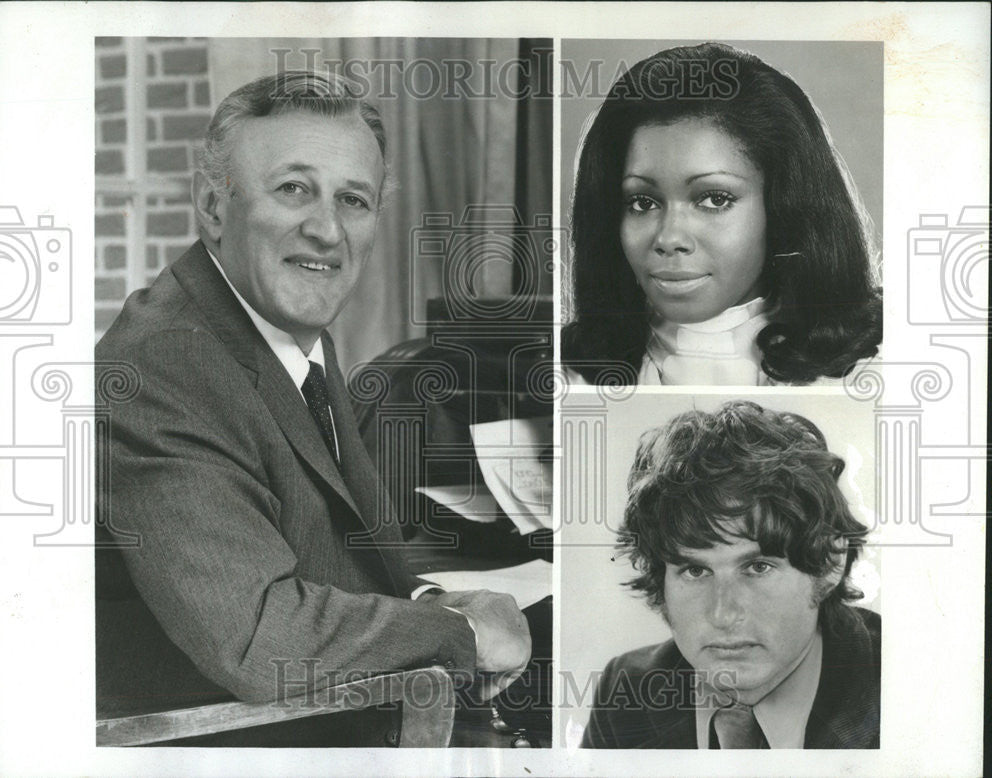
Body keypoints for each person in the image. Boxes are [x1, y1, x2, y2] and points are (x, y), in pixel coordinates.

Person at [95, 70, 530, 747]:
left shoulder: (282, 325)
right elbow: (258, 637)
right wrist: (465, 632)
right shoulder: (166, 363)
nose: (327, 229)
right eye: (294, 189)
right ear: (214, 206)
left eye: (353, 200)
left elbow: (335, 549)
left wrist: (426, 604)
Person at [561, 42, 882, 386]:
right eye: (642, 203)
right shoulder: (569, 380)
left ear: (783, 207)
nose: (669, 238)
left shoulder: (875, 377)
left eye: (714, 199)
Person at [582, 401, 880, 749]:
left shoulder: (910, 681)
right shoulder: (627, 688)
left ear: (830, 562)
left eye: (757, 567)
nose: (723, 615)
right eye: (695, 570)